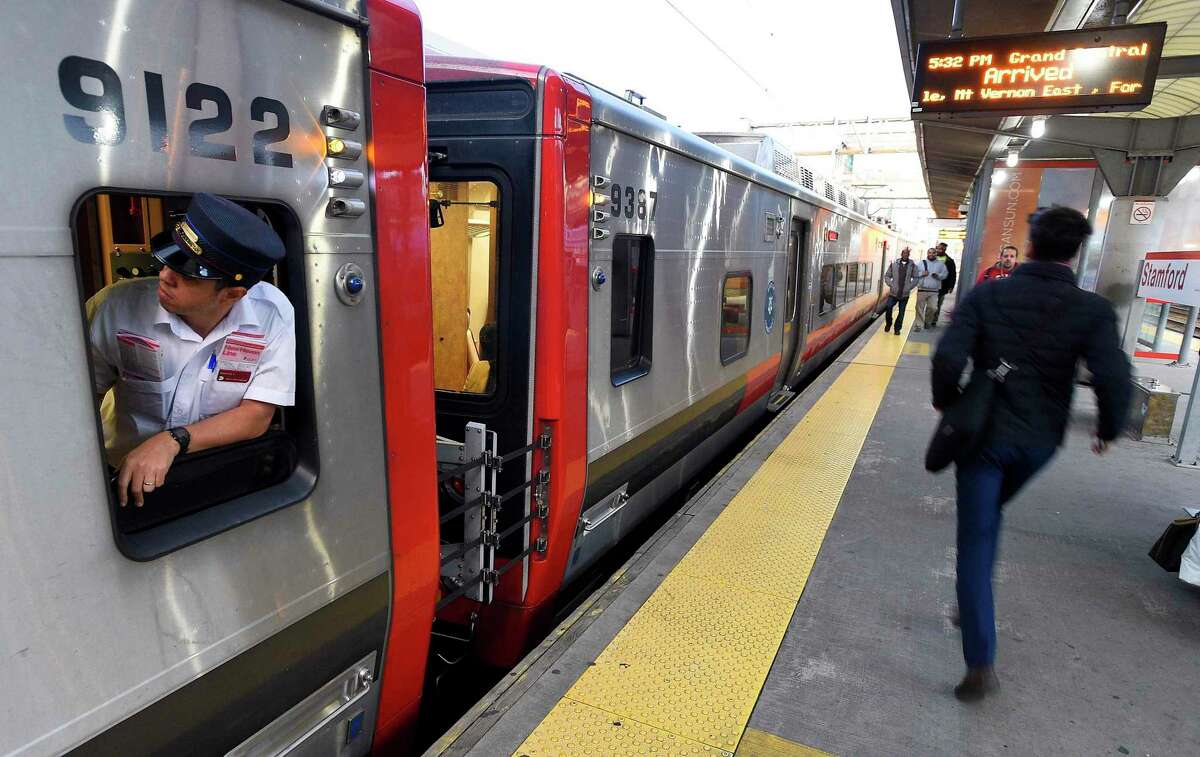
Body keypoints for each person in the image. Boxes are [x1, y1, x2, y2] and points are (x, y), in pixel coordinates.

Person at [931, 206, 1131, 703]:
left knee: (976, 539)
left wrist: (948, 401)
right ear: (1075, 251)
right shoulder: (1093, 310)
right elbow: (1113, 378)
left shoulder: (988, 294)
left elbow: (948, 357)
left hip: (982, 438)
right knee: (990, 514)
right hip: (1039, 444)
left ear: (1031, 242)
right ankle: (971, 602)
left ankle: (980, 663)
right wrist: (1107, 430)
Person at [87, 193, 295, 507]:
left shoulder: (272, 314)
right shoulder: (114, 308)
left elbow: (256, 416)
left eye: (187, 274)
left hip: (217, 474)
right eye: (170, 258)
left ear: (233, 294)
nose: (165, 275)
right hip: (123, 480)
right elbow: (79, 403)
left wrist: (172, 441)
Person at [882, 246, 919, 334]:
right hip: (893, 293)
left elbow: (916, 278)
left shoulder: (913, 266)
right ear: (901, 254)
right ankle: (888, 323)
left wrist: (909, 287)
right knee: (888, 307)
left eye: (907, 254)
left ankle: (897, 329)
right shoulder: (894, 264)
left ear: (909, 255)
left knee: (901, 313)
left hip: (905, 294)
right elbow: (887, 275)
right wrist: (891, 284)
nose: (905, 255)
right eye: (904, 253)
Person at [913, 247, 947, 332]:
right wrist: (921, 273)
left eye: (933, 253)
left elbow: (945, 274)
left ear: (936, 254)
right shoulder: (921, 263)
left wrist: (938, 276)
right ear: (927, 253)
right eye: (929, 253)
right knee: (919, 308)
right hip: (922, 289)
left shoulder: (941, 264)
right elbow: (914, 273)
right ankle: (918, 325)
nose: (931, 254)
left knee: (933, 308)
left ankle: (927, 322)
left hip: (934, 291)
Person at [934, 242, 957, 326]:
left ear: (945, 249)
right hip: (931, 286)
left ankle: (934, 320)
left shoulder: (949, 261)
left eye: (942, 249)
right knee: (931, 305)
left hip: (942, 287)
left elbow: (952, 274)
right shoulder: (932, 257)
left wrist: (951, 286)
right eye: (938, 248)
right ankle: (928, 319)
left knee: (938, 304)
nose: (939, 250)